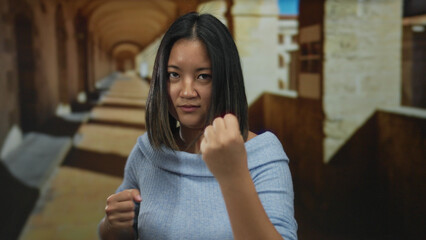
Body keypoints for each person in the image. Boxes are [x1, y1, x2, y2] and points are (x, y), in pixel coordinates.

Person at [98, 12, 297, 240]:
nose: (187, 92)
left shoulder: (263, 155)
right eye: (174, 75)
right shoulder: (147, 151)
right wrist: (112, 224)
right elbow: (116, 232)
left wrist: (233, 175)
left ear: (225, 80)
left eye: (203, 76)